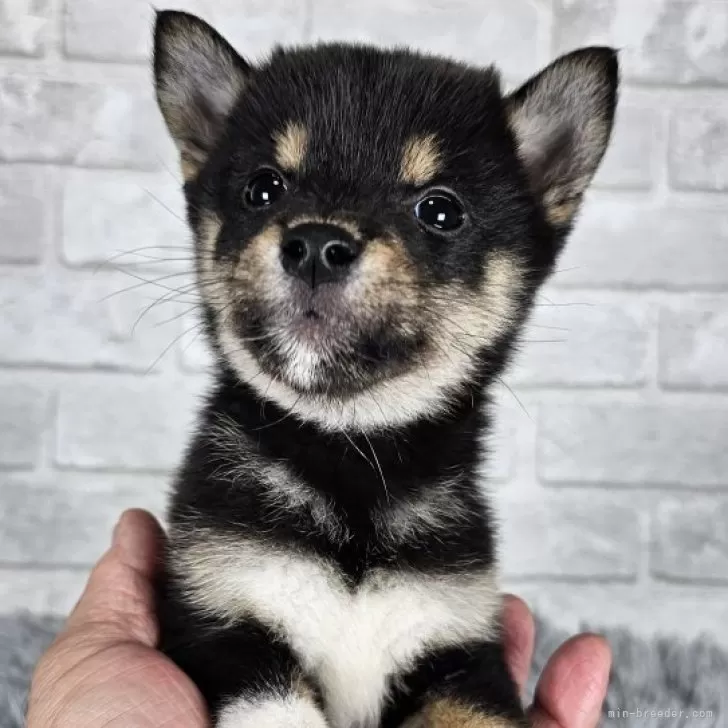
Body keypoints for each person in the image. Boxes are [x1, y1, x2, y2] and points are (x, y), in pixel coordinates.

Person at [26, 510, 611, 728]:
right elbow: (222, 657)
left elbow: (468, 683)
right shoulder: (221, 514)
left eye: (437, 224)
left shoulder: (455, 544)